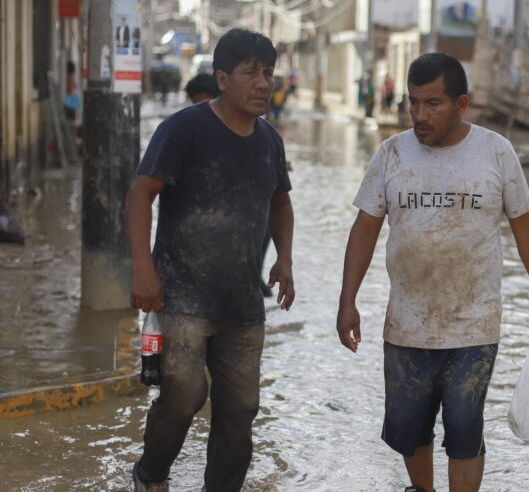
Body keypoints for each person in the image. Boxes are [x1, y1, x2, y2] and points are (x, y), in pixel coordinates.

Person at [336, 53, 529, 492]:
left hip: (474, 323)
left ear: (462, 104)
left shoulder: (495, 151)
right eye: (413, 103)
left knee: (463, 428)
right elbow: (364, 230)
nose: (420, 115)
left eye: (433, 104)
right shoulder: (392, 153)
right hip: (406, 322)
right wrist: (348, 302)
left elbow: (526, 227)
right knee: (409, 428)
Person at [126, 28, 295, 492]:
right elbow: (141, 195)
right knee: (183, 395)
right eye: (251, 73)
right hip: (180, 293)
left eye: (268, 74)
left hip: (242, 302)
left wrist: (285, 259)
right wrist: (143, 269)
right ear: (222, 78)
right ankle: (151, 475)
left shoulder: (269, 141)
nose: (263, 83)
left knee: (240, 411)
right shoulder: (183, 130)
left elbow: (280, 202)